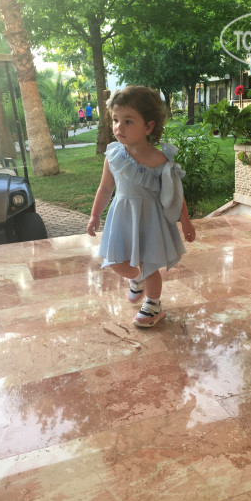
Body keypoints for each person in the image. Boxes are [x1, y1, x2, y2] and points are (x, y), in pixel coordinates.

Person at [87, 86, 196, 328]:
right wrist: (95, 215)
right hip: (123, 216)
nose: (119, 127)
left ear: (148, 126)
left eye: (128, 121)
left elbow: (176, 194)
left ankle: (153, 304)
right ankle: (137, 279)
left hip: (150, 220)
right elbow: (105, 188)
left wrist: (186, 222)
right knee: (115, 261)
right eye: (115, 120)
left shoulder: (160, 160)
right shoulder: (114, 155)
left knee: (149, 265)